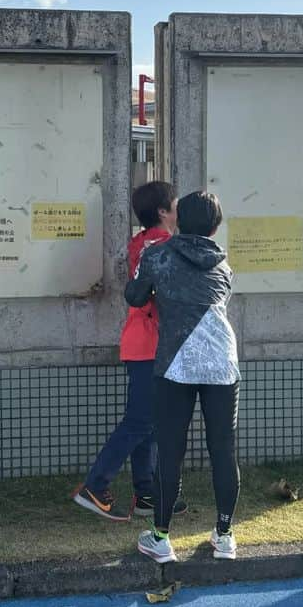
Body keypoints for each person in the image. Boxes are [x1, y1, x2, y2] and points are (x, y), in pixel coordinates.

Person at [127, 191, 241, 562]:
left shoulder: (157, 254)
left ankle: (160, 537)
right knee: (223, 448)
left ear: (178, 220)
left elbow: (134, 296)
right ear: (215, 225)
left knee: (171, 450)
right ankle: (224, 535)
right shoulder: (223, 263)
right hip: (222, 361)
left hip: (176, 361)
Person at [72, 180, 184, 521]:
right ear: (164, 211)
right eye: (175, 204)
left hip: (141, 340)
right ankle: (96, 486)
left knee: (148, 422)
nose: (179, 210)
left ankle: (147, 493)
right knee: (140, 421)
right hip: (151, 342)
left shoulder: (141, 242)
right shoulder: (165, 246)